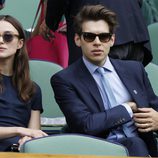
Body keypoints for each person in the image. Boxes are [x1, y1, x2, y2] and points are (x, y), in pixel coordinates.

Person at [51, 4, 158, 157]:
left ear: (112, 40)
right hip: (98, 151)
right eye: (89, 36)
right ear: (77, 39)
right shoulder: (64, 80)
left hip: (142, 149)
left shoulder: (134, 69)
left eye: (103, 36)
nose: (97, 42)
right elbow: (85, 125)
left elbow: (154, 106)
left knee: (136, 143)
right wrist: (127, 108)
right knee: (135, 144)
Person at [45, 0, 152, 66]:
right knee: (133, 94)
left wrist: (50, 22)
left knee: (96, 98)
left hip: (101, 39)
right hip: (134, 33)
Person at [0, 15, 47, 151]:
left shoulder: (33, 89)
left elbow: (34, 133)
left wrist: (28, 138)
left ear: (20, 43)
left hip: (17, 151)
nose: (1, 41)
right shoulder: (20, 130)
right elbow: (28, 131)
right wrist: (20, 131)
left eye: (7, 37)